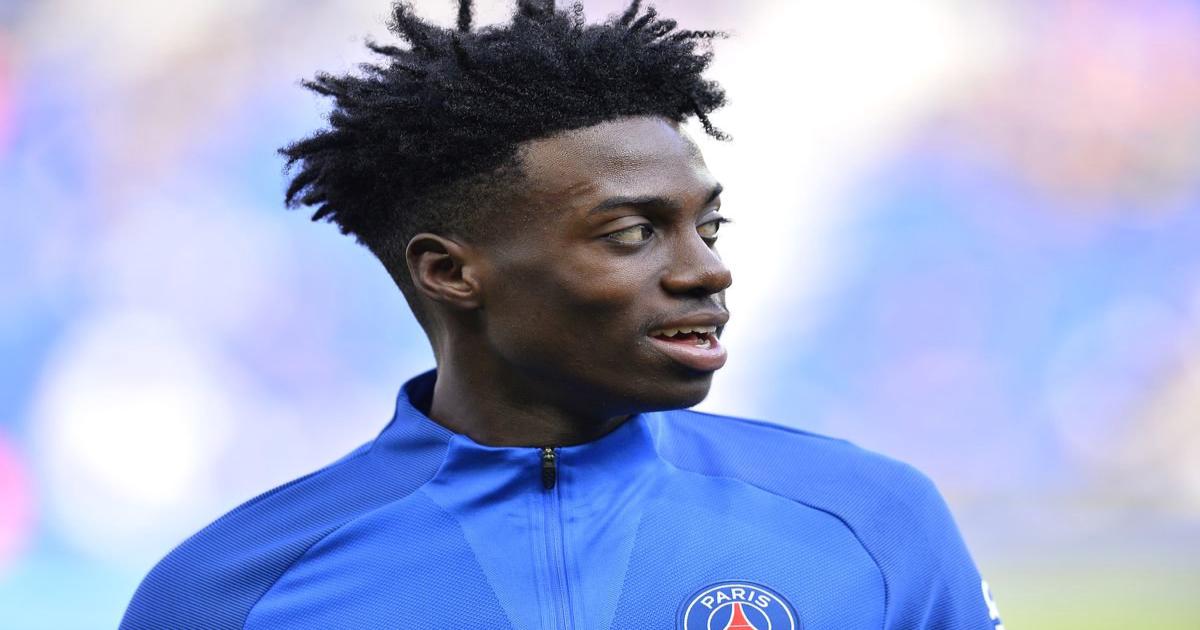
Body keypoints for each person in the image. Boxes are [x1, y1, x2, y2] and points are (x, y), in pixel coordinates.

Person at [120, 1, 1004, 628]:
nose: (706, 270)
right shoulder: (227, 596)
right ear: (449, 272)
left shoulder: (871, 520)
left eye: (707, 226)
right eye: (631, 234)